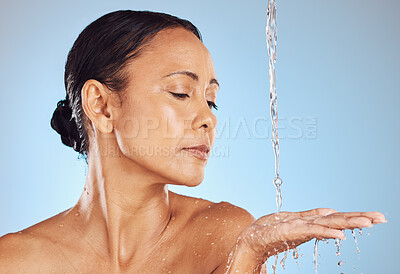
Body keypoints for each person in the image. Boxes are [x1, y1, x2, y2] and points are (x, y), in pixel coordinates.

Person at [0, 10, 386, 273]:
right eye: (182, 93)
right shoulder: (16, 261)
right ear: (101, 106)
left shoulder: (225, 234)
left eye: (211, 100)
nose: (208, 119)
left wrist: (248, 255)